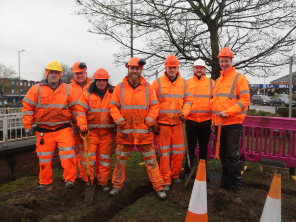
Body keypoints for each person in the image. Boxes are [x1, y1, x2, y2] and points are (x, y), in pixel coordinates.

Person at [108, 57, 167, 200]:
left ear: (141, 70)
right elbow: (112, 106)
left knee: (152, 162)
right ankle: (116, 185)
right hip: (125, 133)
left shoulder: (148, 87)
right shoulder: (119, 87)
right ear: (128, 69)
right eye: (132, 68)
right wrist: (118, 119)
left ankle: (159, 187)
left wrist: (150, 119)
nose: (134, 71)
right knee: (120, 161)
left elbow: (154, 106)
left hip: (144, 133)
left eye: (137, 69)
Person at [22, 61, 77, 189]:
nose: (54, 75)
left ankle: (70, 179)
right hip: (43, 131)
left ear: (60, 75)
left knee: (68, 154)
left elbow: (75, 109)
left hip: (63, 128)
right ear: (47, 74)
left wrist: (78, 124)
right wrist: (27, 126)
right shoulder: (36, 89)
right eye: (51, 72)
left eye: (56, 73)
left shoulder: (68, 89)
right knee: (44, 159)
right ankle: (44, 182)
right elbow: (27, 108)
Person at [211, 47, 250, 194]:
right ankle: (226, 181)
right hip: (220, 125)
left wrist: (227, 113)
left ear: (231, 61)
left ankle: (237, 183)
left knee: (232, 156)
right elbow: (215, 104)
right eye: (221, 61)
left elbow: (245, 100)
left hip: (233, 124)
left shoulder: (239, 78)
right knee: (222, 155)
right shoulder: (218, 80)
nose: (224, 64)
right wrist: (213, 122)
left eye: (226, 61)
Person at [152, 55, 194, 192]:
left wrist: (185, 113)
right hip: (163, 124)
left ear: (178, 67)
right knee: (164, 153)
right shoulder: (157, 83)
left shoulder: (184, 82)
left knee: (179, 152)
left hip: (178, 124)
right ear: (166, 67)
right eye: (170, 67)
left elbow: (188, 100)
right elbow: (152, 103)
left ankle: (175, 175)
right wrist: (154, 121)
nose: (172, 70)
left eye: (174, 67)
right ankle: (165, 179)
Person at [75, 68, 115, 192]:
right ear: (95, 81)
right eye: (99, 80)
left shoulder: (113, 94)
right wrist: (82, 124)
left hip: (107, 133)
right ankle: (88, 181)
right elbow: (80, 111)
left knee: (105, 160)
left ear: (106, 81)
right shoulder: (87, 94)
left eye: (103, 80)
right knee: (88, 158)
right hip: (90, 133)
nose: (101, 83)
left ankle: (102, 182)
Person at [183, 59, 214, 179]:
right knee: (190, 147)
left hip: (206, 120)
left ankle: (202, 172)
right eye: (197, 68)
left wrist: (209, 105)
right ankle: (188, 171)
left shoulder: (212, 83)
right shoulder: (187, 83)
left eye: (201, 68)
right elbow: (184, 99)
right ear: (193, 69)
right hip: (190, 120)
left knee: (203, 148)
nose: (199, 70)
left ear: (205, 69)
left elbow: (215, 98)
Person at [69, 61, 92, 182]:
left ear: (86, 73)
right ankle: (84, 176)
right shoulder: (68, 88)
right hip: (76, 127)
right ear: (73, 74)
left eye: (82, 73)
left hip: (92, 126)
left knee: (93, 152)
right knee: (79, 152)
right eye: (77, 73)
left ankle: (93, 176)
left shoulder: (93, 85)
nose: (80, 76)